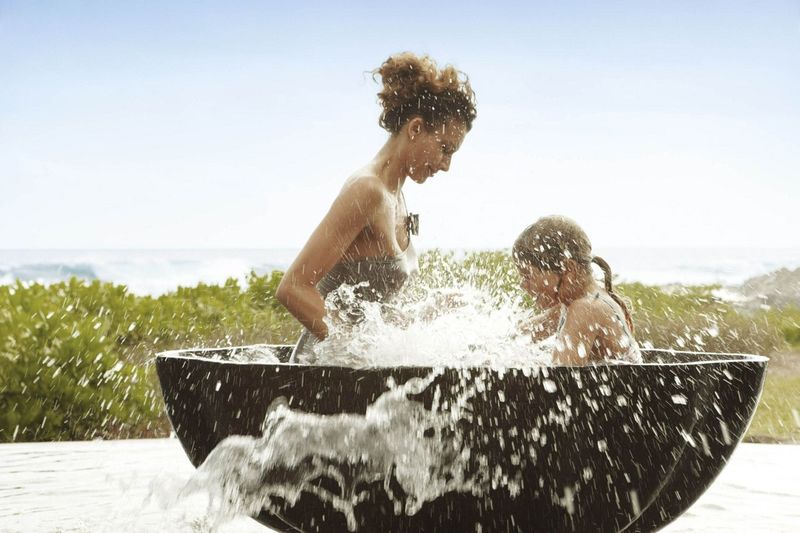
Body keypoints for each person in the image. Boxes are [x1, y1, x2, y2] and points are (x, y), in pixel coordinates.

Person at [276, 52, 477, 362]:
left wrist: (429, 309)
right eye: (445, 148)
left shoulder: (398, 194)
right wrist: (361, 350)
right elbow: (293, 288)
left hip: (361, 371)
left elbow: (374, 314)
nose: (447, 165)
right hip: (325, 371)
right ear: (415, 129)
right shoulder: (367, 190)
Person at [512, 215, 642, 365]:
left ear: (568, 268)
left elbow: (559, 377)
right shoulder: (574, 303)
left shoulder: (587, 308)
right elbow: (521, 336)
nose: (523, 285)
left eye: (528, 276)